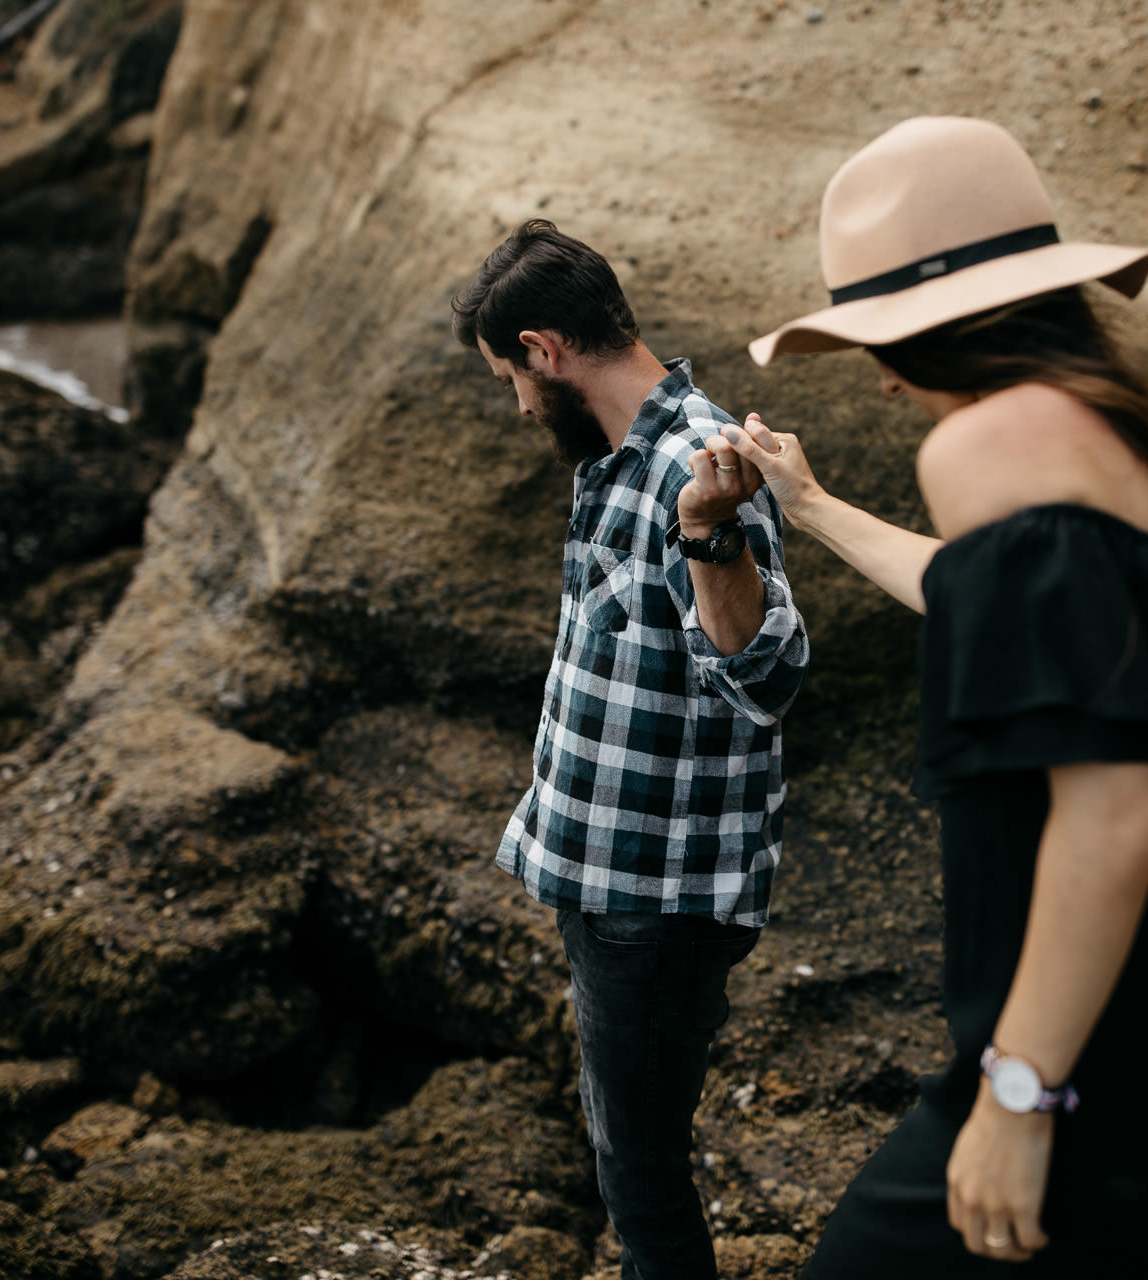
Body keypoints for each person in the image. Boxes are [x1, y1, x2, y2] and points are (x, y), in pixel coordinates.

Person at [727, 117, 1148, 1275]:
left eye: (882, 338)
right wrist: (815, 507)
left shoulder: (988, 442)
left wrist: (1018, 1093)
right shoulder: (1143, 433)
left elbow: (1114, 808)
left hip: (1100, 1062)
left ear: (935, 324)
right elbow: (986, 598)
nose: (883, 376)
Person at [450, 220, 809, 1280]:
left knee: (640, 1175)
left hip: (655, 899)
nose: (520, 406)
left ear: (544, 350)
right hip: (613, 881)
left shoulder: (695, 466)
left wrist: (710, 530)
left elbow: (766, 674)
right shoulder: (614, 458)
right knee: (629, 1158)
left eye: (512, 380)